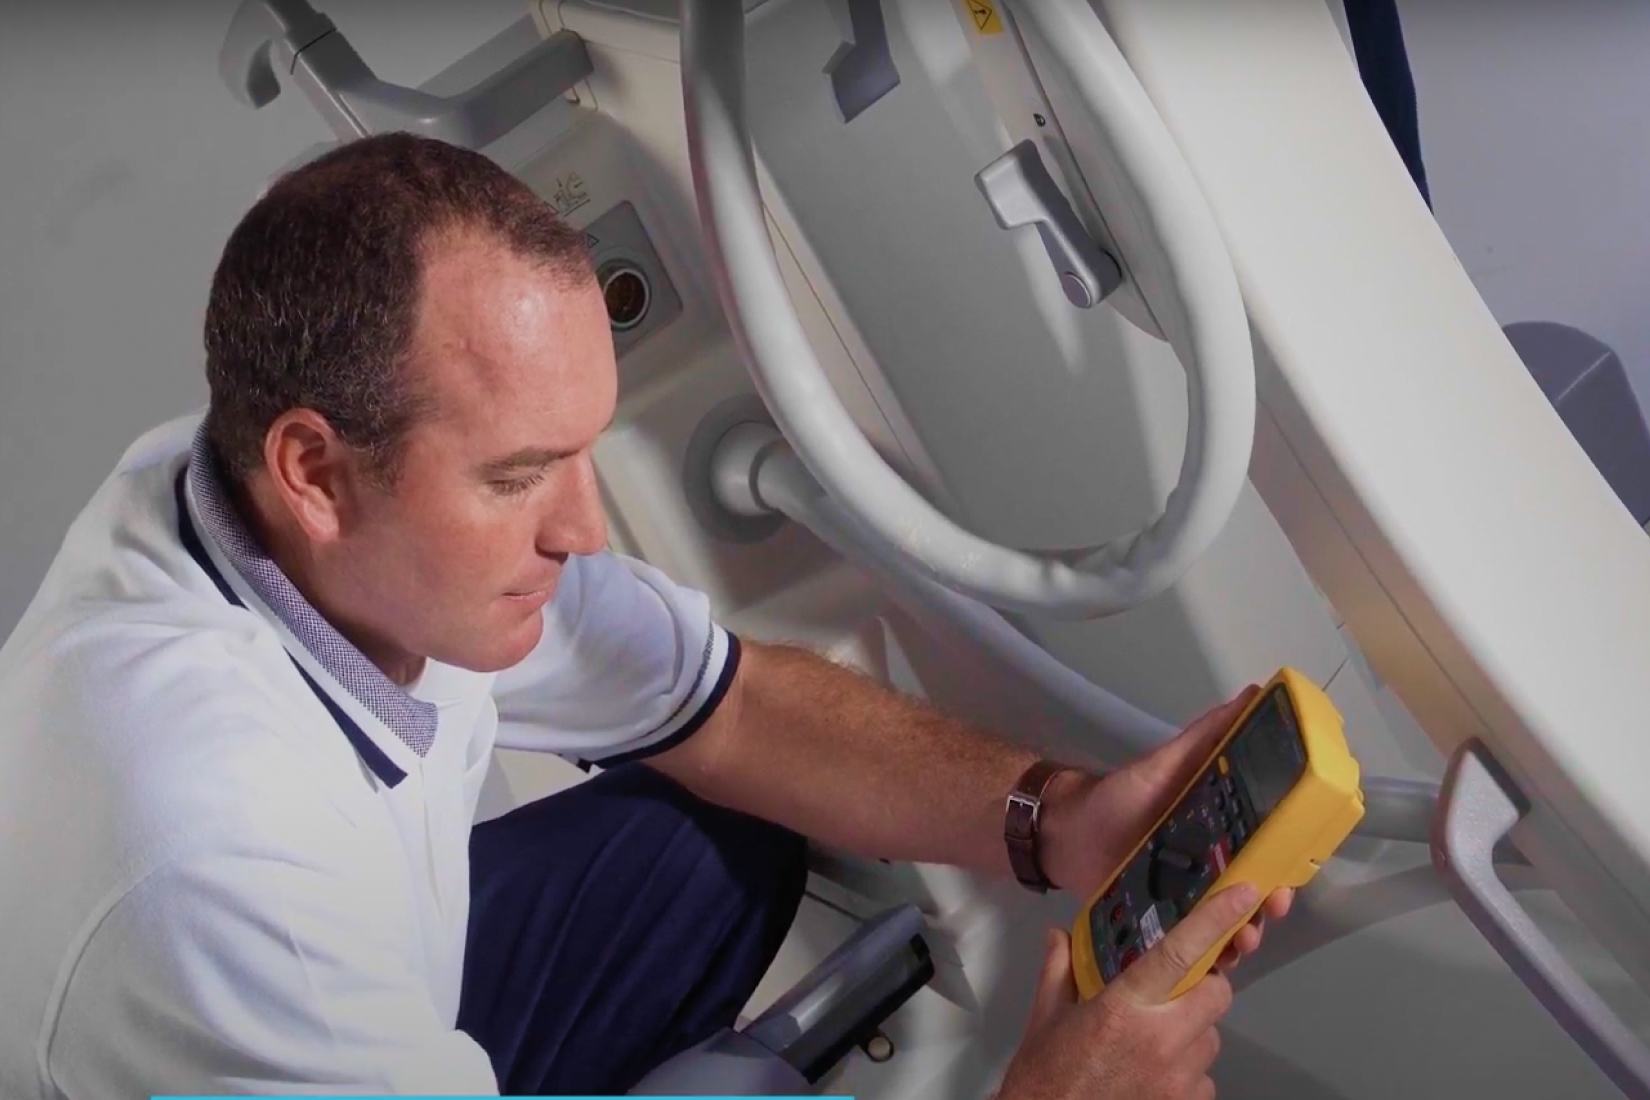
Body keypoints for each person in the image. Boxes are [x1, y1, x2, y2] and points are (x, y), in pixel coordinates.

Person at [0, 133, 1288, 1099]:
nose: (583, 530)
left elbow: (731, 707)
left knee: (720, 827)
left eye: (582, 453)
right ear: (315, 474)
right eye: (518, 477)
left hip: (337, 966)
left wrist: (1055, 819)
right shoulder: (221, 879)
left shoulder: (278, 507)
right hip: (235, 1000)